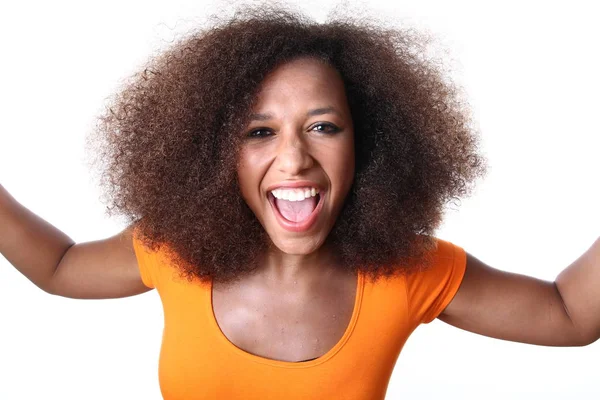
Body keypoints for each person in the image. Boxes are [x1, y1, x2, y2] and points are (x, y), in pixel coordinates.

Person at [1, 5, 598, 399]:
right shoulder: (173, 250)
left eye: (323, 127)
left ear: (370, 144)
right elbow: (59, 268)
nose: (293, 161)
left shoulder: (409, 273)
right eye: (260, 132)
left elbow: (571, 316)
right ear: (216, 154)